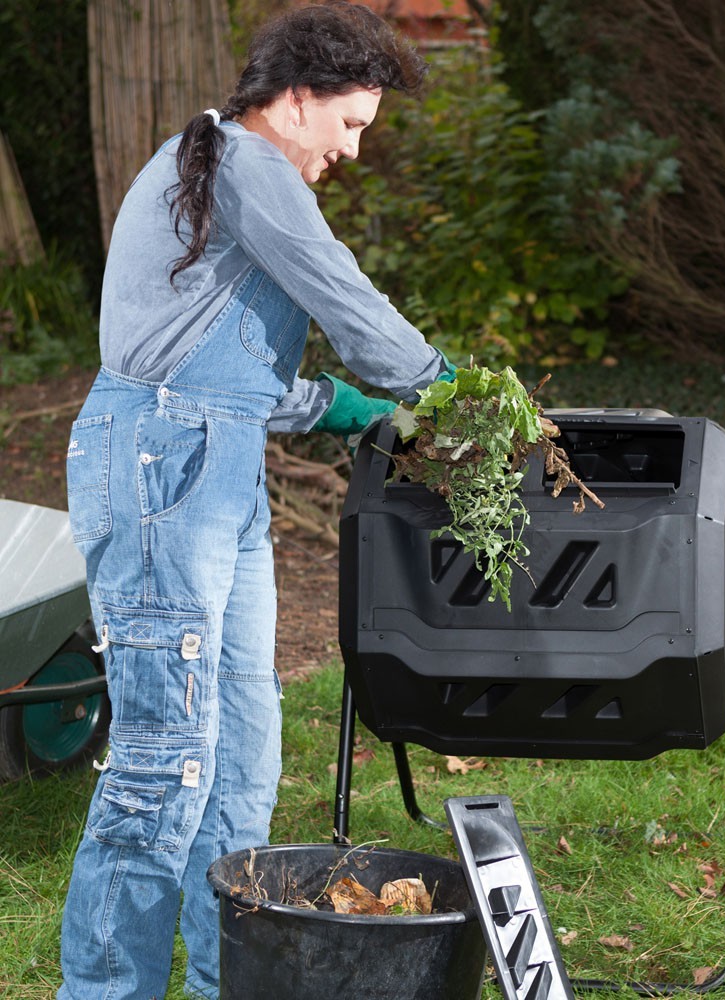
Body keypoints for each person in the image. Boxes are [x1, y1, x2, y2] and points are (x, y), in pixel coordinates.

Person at [58, 4, 453, 998]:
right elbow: (339, 290)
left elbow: (214, 370)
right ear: (296, 98)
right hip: (162, 469)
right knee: (164, 763)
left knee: (240, 758)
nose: (353, 151)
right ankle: (106, 988)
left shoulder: (228, 170)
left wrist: (338, 404)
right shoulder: (245, 164)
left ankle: (223, 984)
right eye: (351, 124)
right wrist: (440, 384)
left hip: (211, 461)